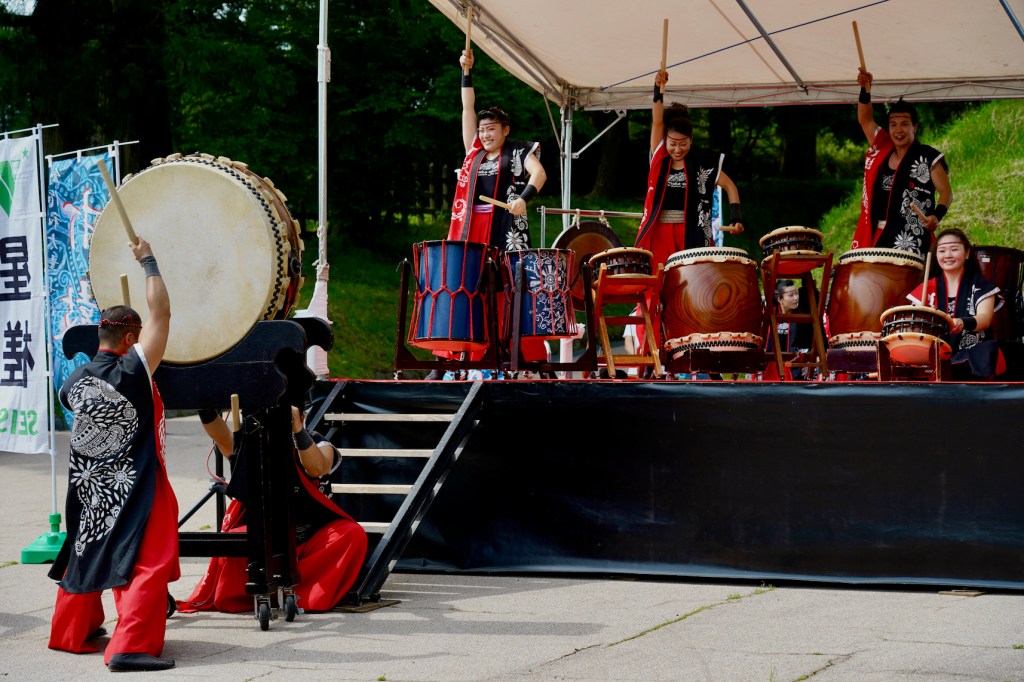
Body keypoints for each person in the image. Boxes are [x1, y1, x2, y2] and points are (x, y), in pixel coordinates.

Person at [47, 237, 178, 673]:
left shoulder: (74, 382)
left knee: (87, 547)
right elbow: (162, 313)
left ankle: (71, 632)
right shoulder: (132, 369)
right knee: (149, 558)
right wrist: (149, 261)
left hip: (87, 485)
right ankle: (130, 647)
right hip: (134, 481)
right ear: (131, 338)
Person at [425, 48, 548, 379]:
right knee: (462, 286)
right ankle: (449, 359)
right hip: (471, 227)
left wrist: (524, 198)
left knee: (509, 287)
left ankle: (517, 354)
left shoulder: (519, 150)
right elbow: (467, 108)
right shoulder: (474, 153)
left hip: (506, 225)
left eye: (492, 129)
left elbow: (539, 174)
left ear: (505, 129)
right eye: (482, 130)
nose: (485, 134)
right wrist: (466, 72)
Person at [177, 405, 368, 614]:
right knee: (234, 542)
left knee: (352, 534)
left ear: (302, 416)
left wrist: (297, 430)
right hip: (266, 533)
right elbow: (224, 440)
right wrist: (203, 404)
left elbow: (317, 467)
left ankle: (302, 593)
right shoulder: (254, 442)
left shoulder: (318, 441)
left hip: (311, 536)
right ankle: (258, 594)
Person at [634, 69, 744, 352]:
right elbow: (657, 119)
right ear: (665, 141)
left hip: (690, 234)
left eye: (683, 144)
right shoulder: (658, 156)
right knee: (655, 290)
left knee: (693, 289)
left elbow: (730, 187)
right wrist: (658, 88)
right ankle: (651, 352)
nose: (677, 149)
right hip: (659, 233)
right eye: (673, 144)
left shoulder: (702, 164)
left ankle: (695, 349)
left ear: (691, 142)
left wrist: (736, 218)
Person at [852, 70, 953, 256]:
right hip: (877, 235)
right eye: (893, 124)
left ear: (915, 127)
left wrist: (936, 215)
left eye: (905, 124)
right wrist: (865, 88)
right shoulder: (882, 149)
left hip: (911, 239)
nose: (898, 130)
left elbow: (946, 192)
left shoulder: (928, 157)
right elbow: (865, 120)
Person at [906, 228, 1003, 380]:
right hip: (935, 356)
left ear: (967, 253)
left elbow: (984, 319)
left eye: (954, 249)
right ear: (936, 256)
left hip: (971, 355)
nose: (948, 255)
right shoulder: (926, 288)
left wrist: (962, 322)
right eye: (942, 250)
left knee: (984, 351)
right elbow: (914, 325)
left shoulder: (982, 287)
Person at [767, 279, 815, 380]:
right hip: (772, 367)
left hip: (796, 368)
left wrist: (808, 362)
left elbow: (809, 344)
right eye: (791, 295)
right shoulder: (770, 316)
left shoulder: (803, 316)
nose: (796, 298)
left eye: (796, 293)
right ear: (779, 299)